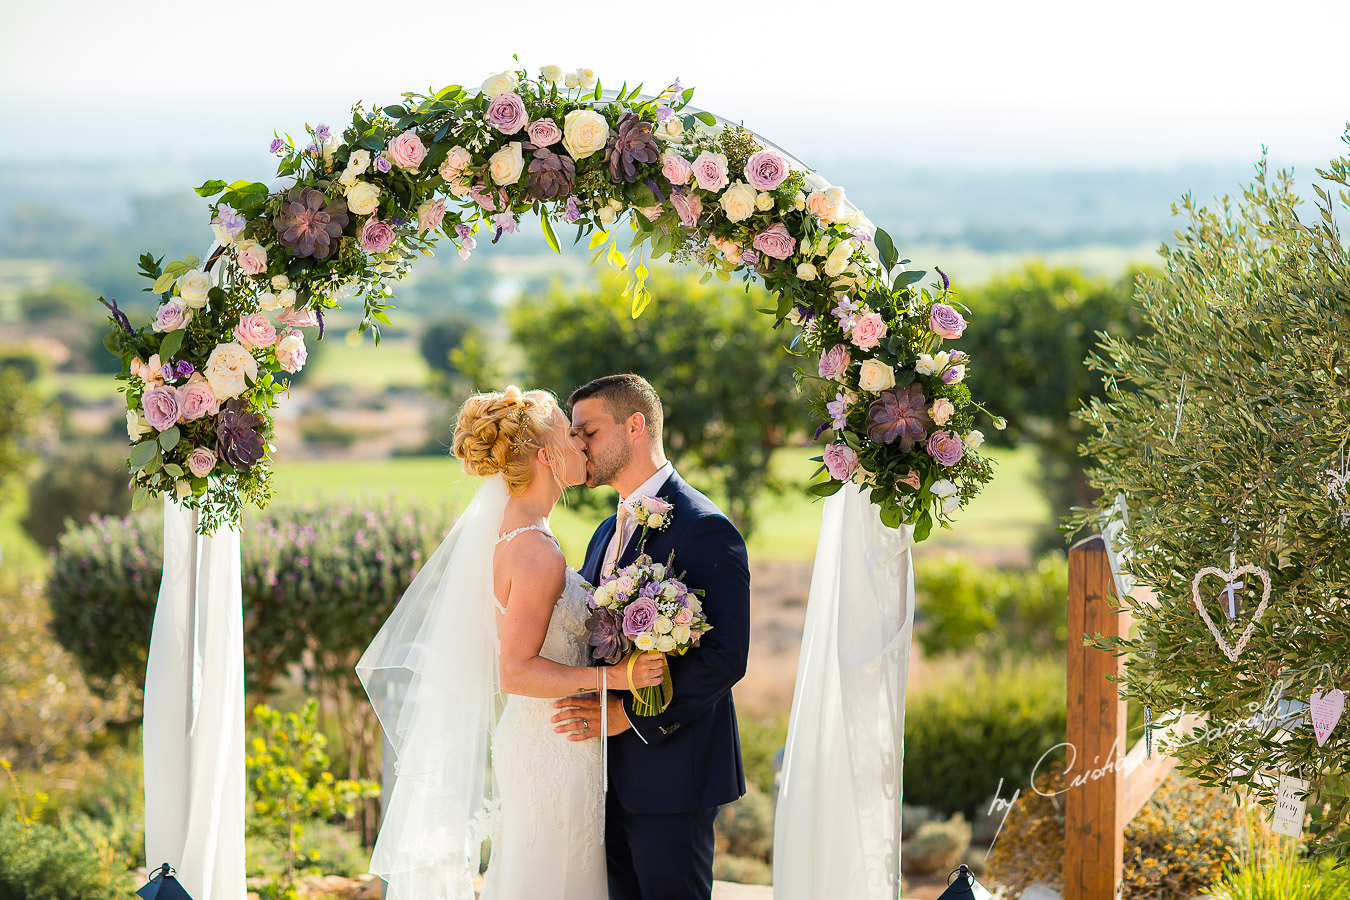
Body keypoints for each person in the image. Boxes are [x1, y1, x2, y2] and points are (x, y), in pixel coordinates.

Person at [356, 385, 664, 900]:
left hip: (547, 735)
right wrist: (617, 677)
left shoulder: (514, 532)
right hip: (556, 742)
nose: (581, 444)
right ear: (547, 455)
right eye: (571, 434)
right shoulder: (536, 551)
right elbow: (515, 670)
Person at [553, 374, 751, 900]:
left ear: (635, 426)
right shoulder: (604, 530)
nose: (578, 446)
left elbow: (725, 657)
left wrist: (630, 718)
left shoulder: (704, 527)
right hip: (602, 778)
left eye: (587, 432)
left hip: (671, 774)